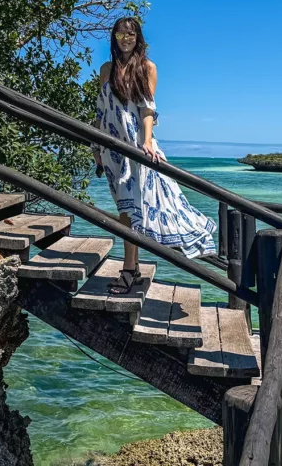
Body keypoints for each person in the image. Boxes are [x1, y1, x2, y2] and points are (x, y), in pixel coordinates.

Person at [93, 17, 217, 294]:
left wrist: (147, 142)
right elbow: (101, 112)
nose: (127, 38)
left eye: (132, 34)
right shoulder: (106, 69)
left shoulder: (148, 68)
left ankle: (128, 270)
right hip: (111, 148)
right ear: (113, 37)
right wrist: (95, 148)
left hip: (136, 145)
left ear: (139, 38)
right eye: (122, 34)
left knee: (138, 207)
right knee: (125, 210)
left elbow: (148, 110)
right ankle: (132, 269)